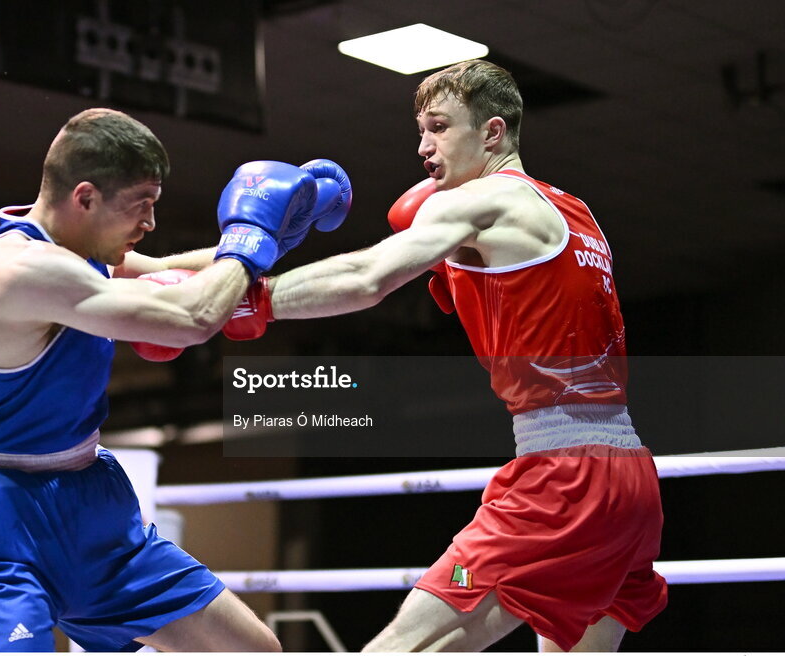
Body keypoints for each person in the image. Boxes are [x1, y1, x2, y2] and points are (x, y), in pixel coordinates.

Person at [235, 59, 667, 651]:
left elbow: (366, 276)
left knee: (399, 648)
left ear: (491, 132)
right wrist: (166, 272)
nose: (423, 145)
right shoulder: (575, 213)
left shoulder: (483, 203)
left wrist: (255, 300)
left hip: (562, 480)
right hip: (630, 481)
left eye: (438, 126)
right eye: (420, 129)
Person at [0, 107, 350, 652]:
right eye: (142, 205)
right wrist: (249, 240)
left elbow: (171, 272)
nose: (150, 222)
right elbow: (192, 317)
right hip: (8, 518)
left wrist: (272, 234)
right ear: (85, 197)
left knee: (255, 651)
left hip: (94, 504)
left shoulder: (77, 256)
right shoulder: (16, 270)